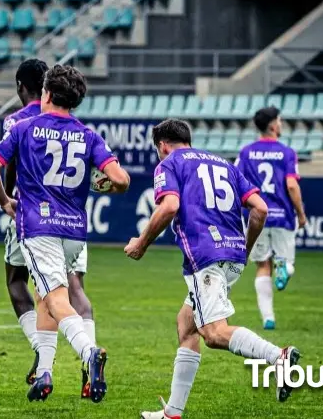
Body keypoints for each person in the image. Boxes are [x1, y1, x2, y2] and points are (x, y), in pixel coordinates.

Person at [127, 119, 300, 419]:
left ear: (163, 145)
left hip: (205, 256)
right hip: (232, 253)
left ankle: (278, 357)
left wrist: (141, 244)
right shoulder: (224, 164)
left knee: (213, 332)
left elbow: (168, 207)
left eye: (158, 149)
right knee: (186, 326)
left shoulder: (169, 164)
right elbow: (260, 209)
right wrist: (244, 249)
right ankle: (173, 413)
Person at [0, 65, 131, 403]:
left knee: (54, 298)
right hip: (75, 231)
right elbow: (121, 180)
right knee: (47, 295)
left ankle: (88, 352)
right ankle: (45, 371)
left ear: (46, 93)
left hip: (39, 227)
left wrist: (6, 200)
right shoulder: (88, 135)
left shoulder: (24, 127)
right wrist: (104, 184)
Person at [1, 58, 101, 387]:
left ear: (21, 86)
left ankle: (57, 355)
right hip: (73, 218)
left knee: (22, 282)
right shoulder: (77, 126)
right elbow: (111, 174)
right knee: (74, 289)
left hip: (35, 214)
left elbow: (5, 165)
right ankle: (60, 369)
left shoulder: (18, 122)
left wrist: (7, 198)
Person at [236, 107, 307, 330]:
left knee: (262, 266)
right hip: (282, 216)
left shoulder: (246, 152)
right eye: (280, 120)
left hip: (257, 216)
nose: (281, 124)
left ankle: (269, 318)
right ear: (274, 126)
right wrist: (301, 213)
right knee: (286, 263)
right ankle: (284, 267)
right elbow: (292, 185)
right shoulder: (287, 152)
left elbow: (236, 181)